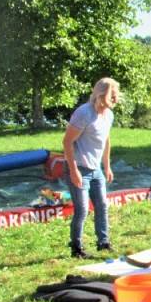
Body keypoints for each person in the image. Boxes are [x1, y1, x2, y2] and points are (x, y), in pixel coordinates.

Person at [63, 78, 120, 258]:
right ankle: (76, 248)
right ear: (102, 94)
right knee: (82, 210)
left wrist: (107, 167)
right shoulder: (84, 113)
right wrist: (73, 170)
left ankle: (103, 242)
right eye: (113, 94)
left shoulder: (108, 115)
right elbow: (67, 142)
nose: (116, 98)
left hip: (96, 170)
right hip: (79, 167)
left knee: (102, 205)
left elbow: (106, 141)